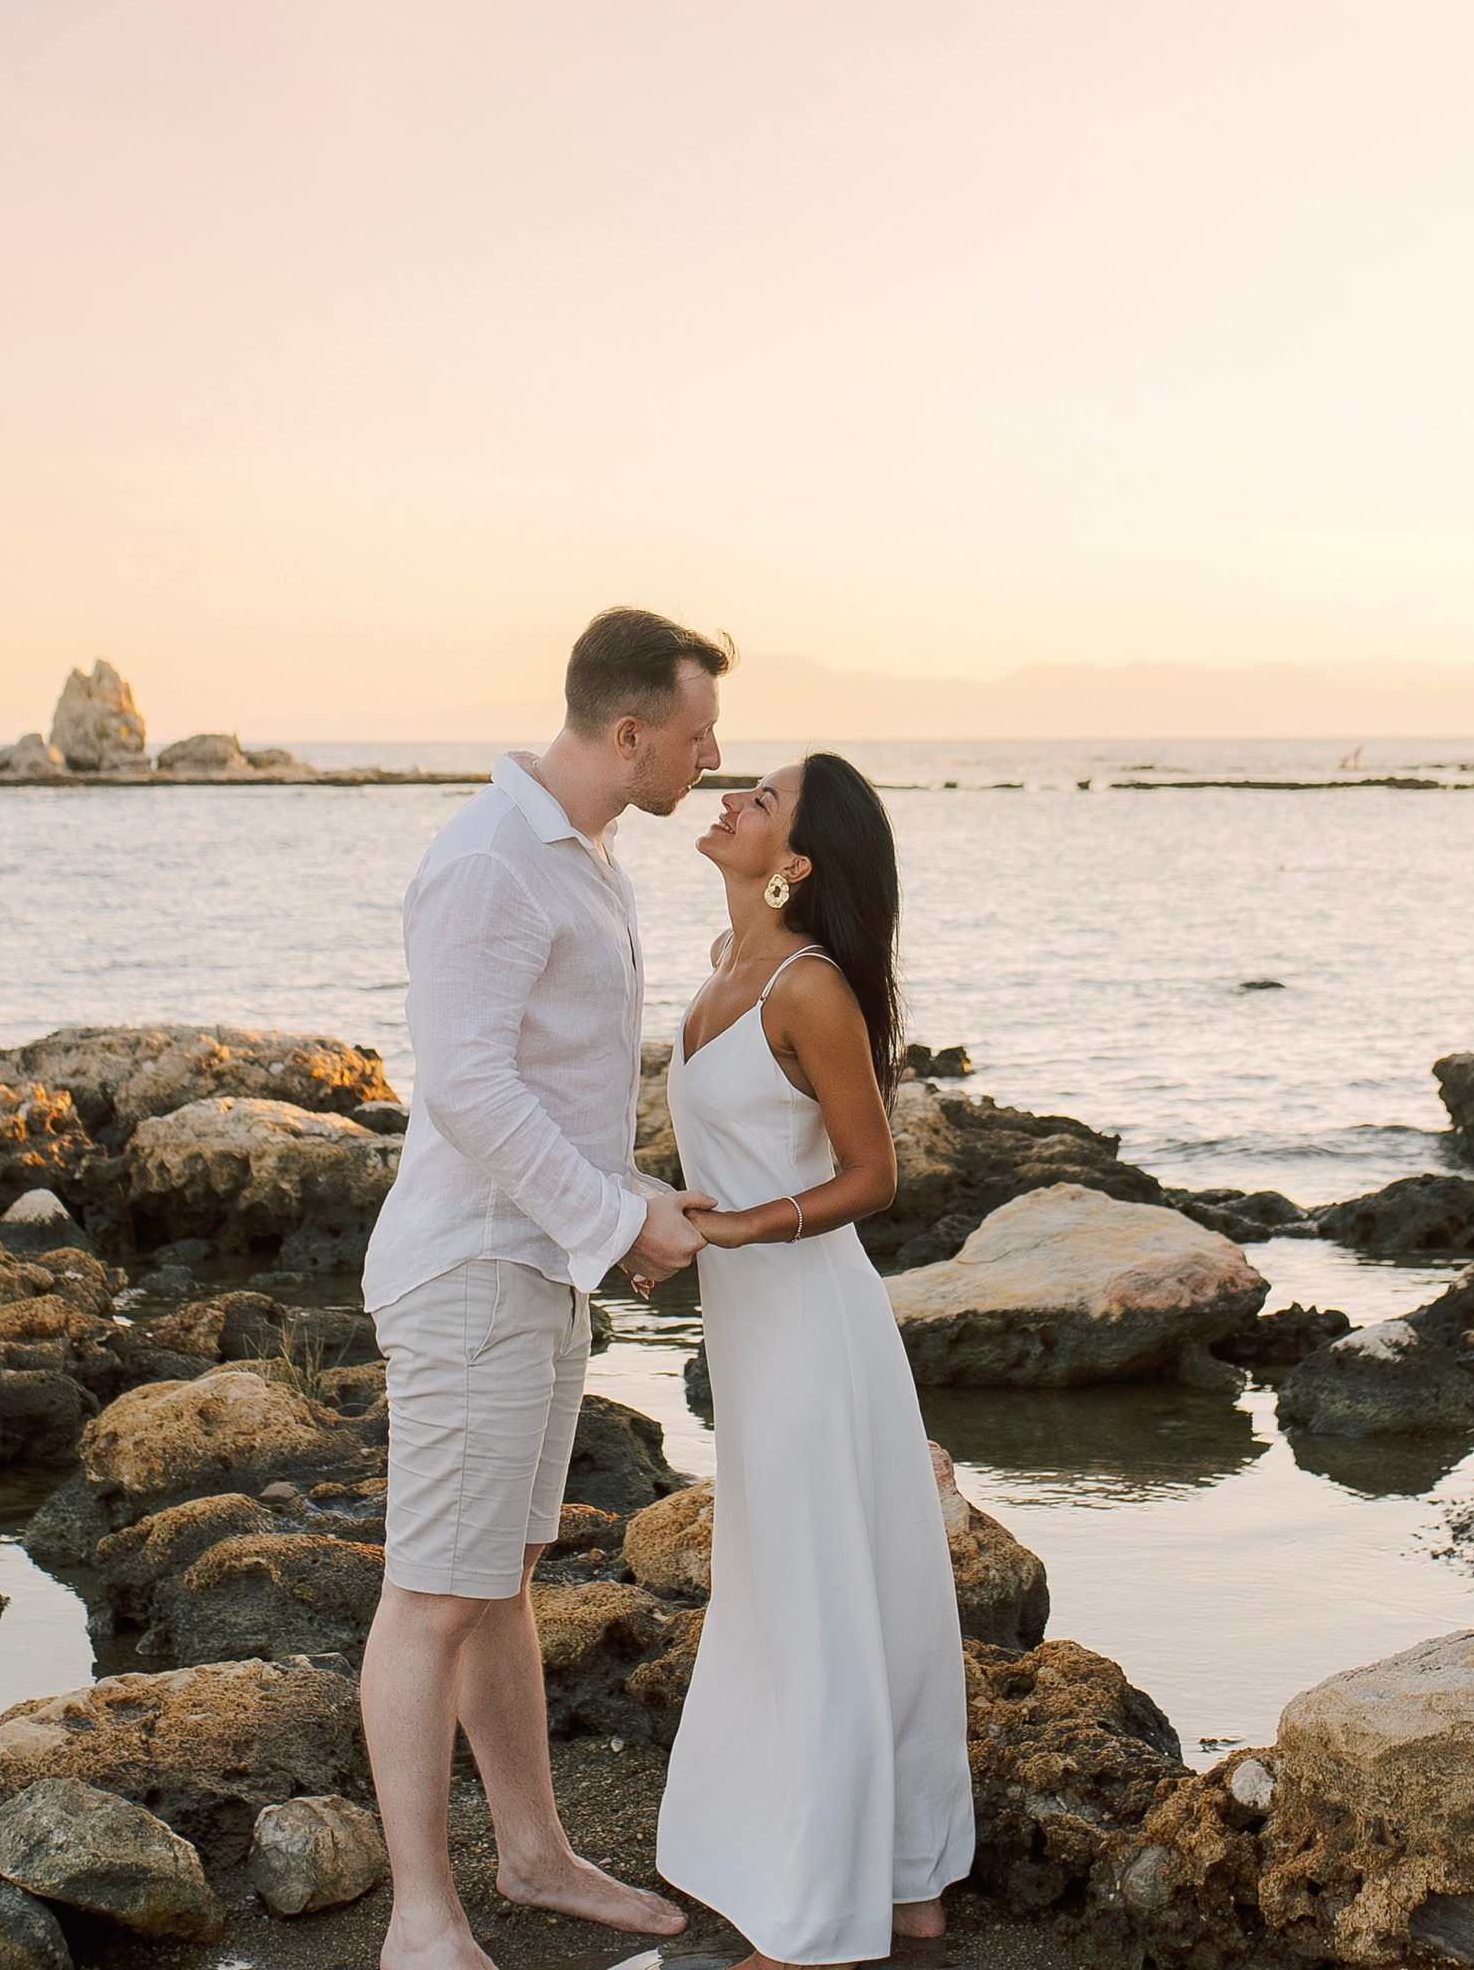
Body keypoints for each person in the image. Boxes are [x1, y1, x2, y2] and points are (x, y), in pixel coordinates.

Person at [359, 607, 732, 1970]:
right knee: (432, 1592)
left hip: (534, 1267)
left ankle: (534, 1854)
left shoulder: (585, 855)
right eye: (696, 738)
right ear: (628, 732)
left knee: (501, 1574)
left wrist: (630, 1203)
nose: (711, 759)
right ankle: (420, 1922)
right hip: (472, 1273)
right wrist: (618, 1218)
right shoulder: (493, 861)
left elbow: (558, 1088)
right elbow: (464, 1087)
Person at [653, 752, 975, 1970]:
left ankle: (822, 1921)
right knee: (852, 1591)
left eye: (762, 799)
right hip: (749, 1325)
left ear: (792, 864)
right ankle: (908, 1881)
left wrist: (732, 1225)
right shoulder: (720, 972)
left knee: (815, 1599)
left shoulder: (807, 985)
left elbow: (872, 1173)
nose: (728, 798)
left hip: (811, 1325)